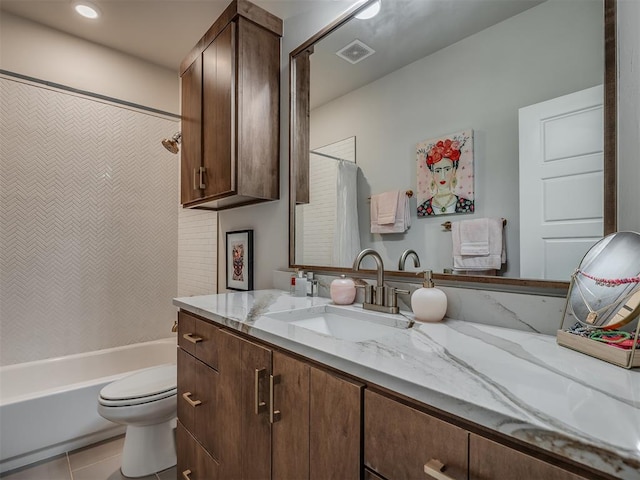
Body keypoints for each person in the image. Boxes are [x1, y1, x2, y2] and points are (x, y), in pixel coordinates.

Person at [417, 138, 473, 216]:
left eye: (447, 169)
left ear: (453, 170)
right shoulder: (422, 209)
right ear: (432, 173)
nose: (442, 176)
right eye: (438, 171)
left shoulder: (467, 205)